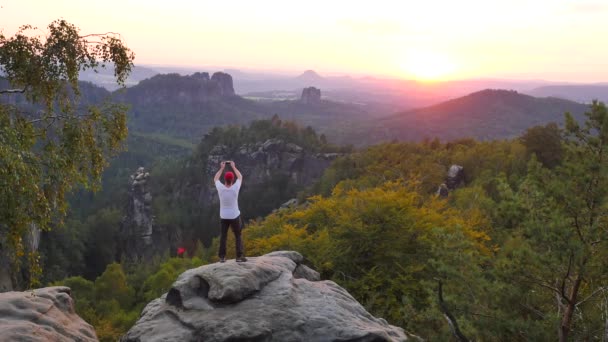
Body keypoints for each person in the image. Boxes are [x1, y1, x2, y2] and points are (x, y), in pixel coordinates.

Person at [214, 161, 246, 262]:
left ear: (225, 180)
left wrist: (222, 168)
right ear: (232, 180)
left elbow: (215, 178)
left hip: (223, 216)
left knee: (223, 236)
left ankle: (222, 257)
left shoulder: (220, 188)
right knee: (237, 235)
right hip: (234, 216)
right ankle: (239, 257)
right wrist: (233, 167)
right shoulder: (235, 188)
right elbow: (240, 177)